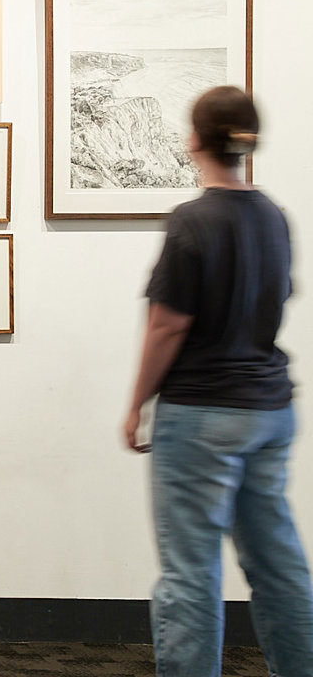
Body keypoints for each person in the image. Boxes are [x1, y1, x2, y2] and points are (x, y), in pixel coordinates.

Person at [124, 85, 313, 677]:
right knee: (278, 564)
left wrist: (135, 405)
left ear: (195, 141)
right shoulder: (274, 217)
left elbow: (167, 326)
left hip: (201, 414)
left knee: (191, 570)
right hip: (270, 410)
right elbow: (277, 298)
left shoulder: (192, 221)